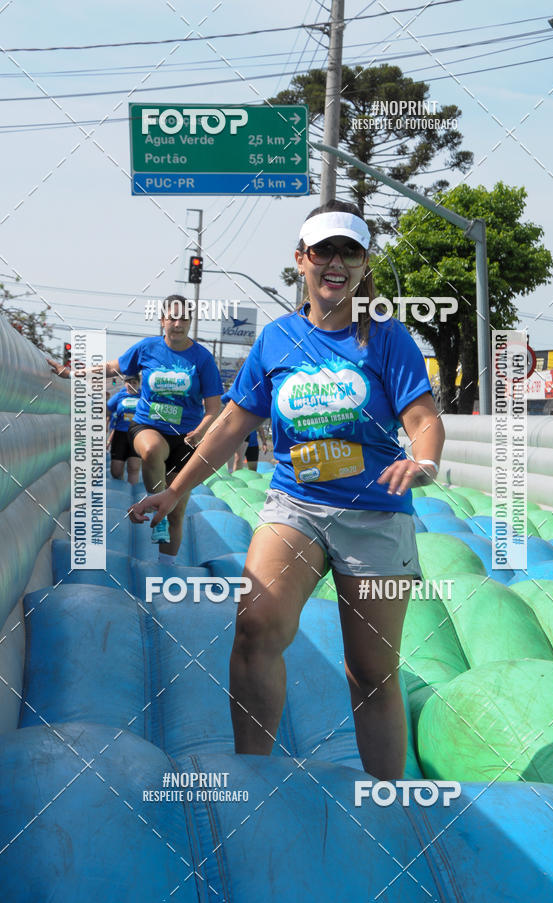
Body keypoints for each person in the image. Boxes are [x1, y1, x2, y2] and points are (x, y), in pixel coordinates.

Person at [129, 201, 445, 780]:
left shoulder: (388, 338)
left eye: (350, 251)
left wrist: (424, 459)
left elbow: (423, 417)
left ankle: (389, 805)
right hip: (295, 506)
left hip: (375, 516)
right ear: (301, 259)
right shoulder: (276, 340)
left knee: (370, 671)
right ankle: (253, 780)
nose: (336, 262)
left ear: (363, 264)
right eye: (323, 249)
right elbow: (231, 425)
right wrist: (175, 491)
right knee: (255, 625)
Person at [50, 294, 223, 564]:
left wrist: (201, 431)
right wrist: (71, 373)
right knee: (153, 449)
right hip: (147, 425)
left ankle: (165, 567)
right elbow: (110, 368)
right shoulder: (147, 348)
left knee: (176, 513)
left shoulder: (202, 359)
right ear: (162, 320)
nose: (177, 324)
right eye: (172, 318)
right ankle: (154, 498)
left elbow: (214, 408)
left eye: (183, 318)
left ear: (190, 322)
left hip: (186, 438)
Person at [106, 375, 141, 484]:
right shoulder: (119, 396)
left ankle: (132, 493)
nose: (131, 385)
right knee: (116, 471)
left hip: (137, 434)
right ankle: (121, 490)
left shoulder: (144, 396)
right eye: (129, 382)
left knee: (133, 467)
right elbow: (107, 411)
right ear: (125, 383)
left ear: (139, 384)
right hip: (120, 434)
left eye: (134, 382)